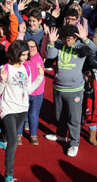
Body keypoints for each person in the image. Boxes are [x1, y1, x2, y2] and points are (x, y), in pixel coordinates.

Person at [0, 40, 44, 182]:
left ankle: (1, 140)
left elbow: (28, 90)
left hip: (22, 107)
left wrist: (40, 76)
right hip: (7, 108)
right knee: (13, 141)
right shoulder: (4, 69)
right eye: (23, 55)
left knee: (9, 135)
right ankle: (8, 175)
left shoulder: (26, 69)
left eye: (27, 54)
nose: (25, 58)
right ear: (15, 53)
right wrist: (3, 81)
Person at [45, 24, 97, 157]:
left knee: (73, 118)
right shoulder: (59, 45)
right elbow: (50, 55)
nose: (66, 41)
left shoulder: (80, 48)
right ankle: (61, 135)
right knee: (59, 115)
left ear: (75, 38)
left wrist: (85, 39)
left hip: (74, 90)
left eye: (69, 38)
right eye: (64, 38)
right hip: (58, 88)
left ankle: (74, 144)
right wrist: (51, 42)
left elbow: (93, 50)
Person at [17, 39, 45, 146]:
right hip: (25, 93)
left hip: (38, 92)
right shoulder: (22, 59)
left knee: (34, 114)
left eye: (34, 46)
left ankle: (33, 134)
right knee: (22, 114)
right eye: (28, 47)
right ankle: (19, 134)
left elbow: (46, 46)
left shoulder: (40, 56)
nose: (31, 49)